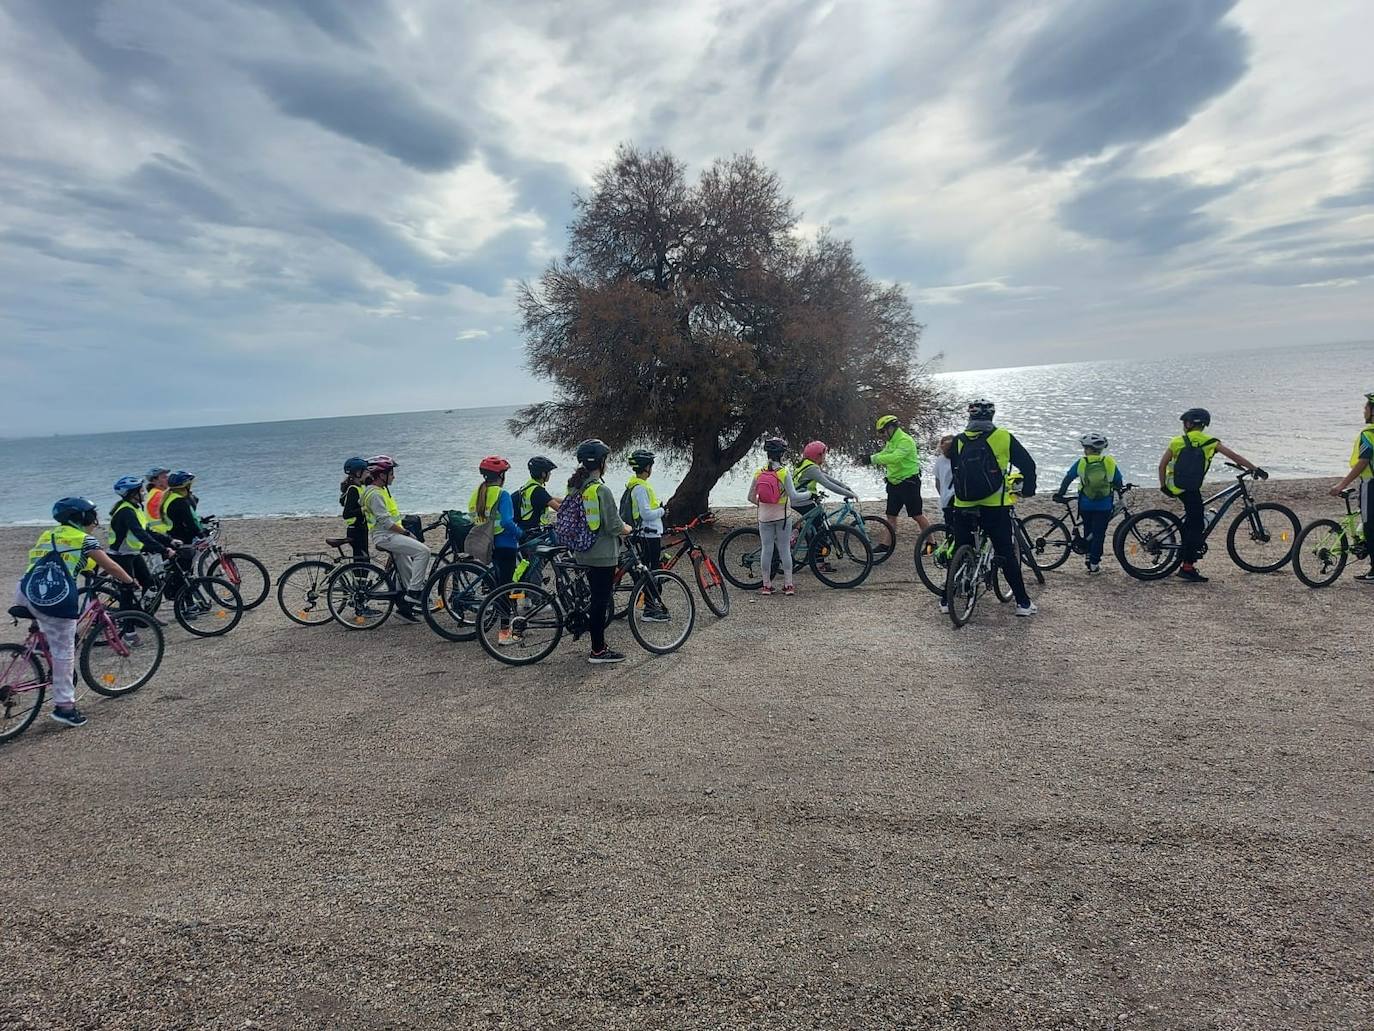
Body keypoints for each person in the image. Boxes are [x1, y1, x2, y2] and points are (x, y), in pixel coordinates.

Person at [15, 497, 138, 728]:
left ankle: (43, 646)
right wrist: (130, 582)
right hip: (53, 599)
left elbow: (68, 560)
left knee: (49, 630)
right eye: (92, 514)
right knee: (65, 651)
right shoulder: (84, 539)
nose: (95, 519)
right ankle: (65, 707)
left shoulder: (48, 535)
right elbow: (110, 565)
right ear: (81, 517)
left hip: (25, 592)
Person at [947, 398, 1039, 616]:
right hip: (994, 506)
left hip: (962, 505)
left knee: (960, 548)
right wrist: (1028, 490)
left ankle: (945, 600)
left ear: (969, 417)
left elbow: (956, 472)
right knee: (1005, 551)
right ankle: (1023, 604)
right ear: (991, 416)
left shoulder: (958, 441)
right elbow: (1028, 464)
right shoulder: (1003, 437)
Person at [1158, 408, 1266, 583]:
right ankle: (1187, 567)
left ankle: (1184, 549)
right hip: (1191, 487)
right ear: (1203, 425)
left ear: (1189, 424)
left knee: (1192, 519)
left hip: (1176, 486)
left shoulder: (1177, 441)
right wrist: (1254, 468)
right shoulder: (1210, 442)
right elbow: (1234, 456)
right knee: (1197, 524)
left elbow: (1162, 466)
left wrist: (1164, 486)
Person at [568, 438, 631, 664]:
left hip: (582, 551)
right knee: (600, 602)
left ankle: (596, 643)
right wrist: (628, 528)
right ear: (601, 462)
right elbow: (614, 525)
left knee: (595, 598)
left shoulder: (576, 486)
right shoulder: (601, 490)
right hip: (603, 554)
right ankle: (598, 650)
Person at [360, 455, 431, 620]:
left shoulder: (375, 491)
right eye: (391, 473)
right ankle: (414, 592)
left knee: (404, 565)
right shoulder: (375, 494)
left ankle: (405, 607)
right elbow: (385, 522)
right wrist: (405, 532)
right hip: (385, 536)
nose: (394, 477)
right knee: (423, 552)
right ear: (381, 475)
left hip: (386, 534)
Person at [1054, 432, 1125, 575]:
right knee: (1099, 534)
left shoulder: (1082, 462)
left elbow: (1068, 478)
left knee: (1088, 528)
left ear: (1087, 449)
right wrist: (1119, 489)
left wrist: (1060, 493)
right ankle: (1094, 565)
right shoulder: (1109, 462)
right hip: (1104, 504)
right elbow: (1118, 480)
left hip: (1085, 504)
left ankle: (1087, 555)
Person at [748, 437, 809, 596]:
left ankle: (766, 586)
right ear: (781, 453)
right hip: (782, 516)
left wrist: (761, 505)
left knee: (766, 549)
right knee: (784, 549)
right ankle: (788, 585)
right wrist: (809, 493)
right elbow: (794, 496)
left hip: (764, 516)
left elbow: (750, 497)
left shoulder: (758, 472)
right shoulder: (783, 472)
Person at [107, 475, 177, 607]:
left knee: (149, 583)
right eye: (141, 491)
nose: (144, 492)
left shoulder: (135, 508)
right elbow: (140, 534)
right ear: (133, 494)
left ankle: (144, 616)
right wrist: (163, 550)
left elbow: (148, 531)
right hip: (121, 555)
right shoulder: (126, 511)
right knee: (128, 588)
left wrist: (170, 541)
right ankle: (128, 626)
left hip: (132, 552)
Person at [1327, 391, 1374, 583]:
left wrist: (1341, 485)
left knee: (1370, 525)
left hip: (1371, 485)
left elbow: (1363, 462)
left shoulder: (1368, 435)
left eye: (1366, 408)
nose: (1363, 411)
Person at [793, 440, 860, 571]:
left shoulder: (806, 465)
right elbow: (827, 484)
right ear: (817, 456)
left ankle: (797, 533)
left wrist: (845, 487)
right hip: (803, 501)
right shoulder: (811, 468)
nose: (825, 457)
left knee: (816, 527)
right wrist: (849, 494)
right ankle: (819, 564)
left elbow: (827, 478)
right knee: (821, 530)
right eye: (824, 455)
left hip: (801, 501)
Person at [621, 450, 670, 620]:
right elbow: (646, 513)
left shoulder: (638, 485)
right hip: (648, 534)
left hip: (651, 533)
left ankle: (651, 605)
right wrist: (663, 511)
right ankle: (650, 610)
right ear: (647, 467)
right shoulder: (640, 488)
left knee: (651, 569)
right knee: (651, 571)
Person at [864, 414, 930, 538]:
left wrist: (872, 459)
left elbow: (895, 458)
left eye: (883, 431)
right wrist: (867, 458)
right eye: (880, 433)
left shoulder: (905, 440)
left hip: (909, 483)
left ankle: (931, 541)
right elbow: (884, 454)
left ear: (891, 428)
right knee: (891, 515)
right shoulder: (891, 442)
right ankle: (885, 545)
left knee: (917, 515)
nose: (882, 435)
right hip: (894, 483)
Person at [515, 456, 561, 533]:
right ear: (543, 474)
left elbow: (549, 498)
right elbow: (559, 509)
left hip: (524, 528)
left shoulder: (529, 486)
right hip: (535, 532)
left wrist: (568, 500)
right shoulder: (538, 491)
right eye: (549, 472)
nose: (550, 474)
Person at [340, 457, 370, 558]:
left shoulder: (360, 487)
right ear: (358, 473)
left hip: (361, 528)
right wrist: (364, 509)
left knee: (364, 559)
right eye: (365, 471)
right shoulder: (353, 490)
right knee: (362, 561)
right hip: (356, 529)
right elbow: (347, 514)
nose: (368, 473)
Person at [933, 435, 956, 528]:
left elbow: (937, 482)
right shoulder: (960, 458)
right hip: (959, 498)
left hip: (946, 499)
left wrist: (942, 494)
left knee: (949, 527)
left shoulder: (939, 460)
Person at [144, 467, 171, 533]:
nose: (168, 479)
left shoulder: (153, 493)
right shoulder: (158, 495)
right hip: (163, 532)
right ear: (154, 481)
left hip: (158, 531)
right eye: (164, 477)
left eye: (167, 476)